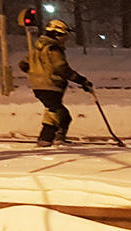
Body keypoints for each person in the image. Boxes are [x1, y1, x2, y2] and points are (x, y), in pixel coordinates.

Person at [18, 19, 92, 147]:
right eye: (64, 36)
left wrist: (37, 73)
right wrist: (82, 80)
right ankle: (59, 140)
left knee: (52, 113)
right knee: (63, 116)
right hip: (52, 86)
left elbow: (24, 65)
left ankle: (45, 140)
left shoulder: (37, 49)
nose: (65, 39)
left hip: (38, 87)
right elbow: (62, 68)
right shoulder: (54, 49)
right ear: (56, 34)